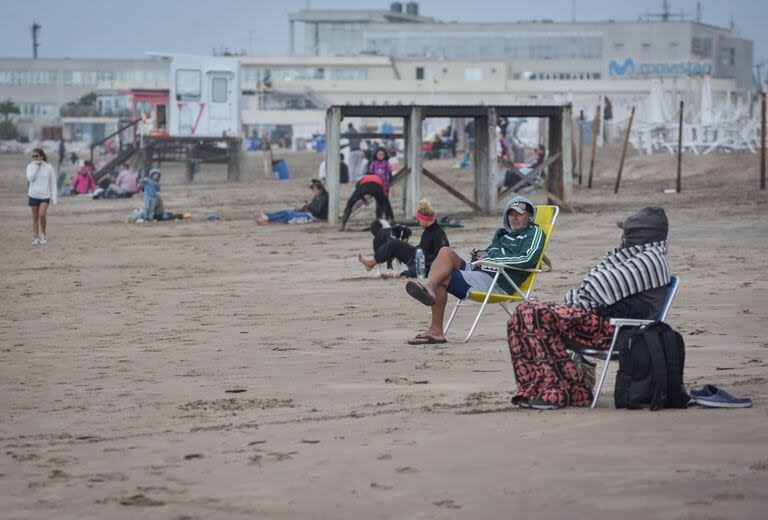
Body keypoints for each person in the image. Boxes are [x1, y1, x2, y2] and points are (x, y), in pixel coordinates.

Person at [506, 206, 671, 410]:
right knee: (523, 312)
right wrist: (576, 303)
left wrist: (575, 303)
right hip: (599, 322)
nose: (623, 236)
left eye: (628, 232)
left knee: (536, 315)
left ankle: (562, 392)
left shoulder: (650, 261)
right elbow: (592, 290)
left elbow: (597, 287)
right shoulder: (630, 255)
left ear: (641, 235)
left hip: (621, 331)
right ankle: (540, 389)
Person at [404, 196, 545, 345]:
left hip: (498, 280)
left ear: (529, 215)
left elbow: (527, 259)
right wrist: (482, 254)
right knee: (446, 252)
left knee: (442, 277)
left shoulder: (534, 233)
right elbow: (493, 251)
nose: (514, 218)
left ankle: (435, 330)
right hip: (483, 270)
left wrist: (490, 259)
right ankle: (429, 288)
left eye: (519, 214)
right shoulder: (502, 234)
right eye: (511, 214)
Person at [358, 199, 449, 278]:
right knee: (394, 243)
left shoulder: (438, 233)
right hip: (416, 256)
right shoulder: (428, 230)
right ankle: (371, 263)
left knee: (417, 271)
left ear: (426, 220)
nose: (418, 223)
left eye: (419, 220)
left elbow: (441, 257)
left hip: (425, 265)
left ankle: (397, 276)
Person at [254, 178, 329, 224]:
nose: (312, 191)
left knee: (288, 215)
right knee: (287, 211)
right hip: (308, 213)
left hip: (312, 217)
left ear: (318, 188)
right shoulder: (318, 196)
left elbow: (318, 212)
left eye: (313, 189)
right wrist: (304, 207)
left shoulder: (324, 197)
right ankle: (268, 216)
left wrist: (309, 205)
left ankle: (268, 219)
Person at [26, 148, 58, 245]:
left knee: (42, 214)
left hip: (45, 195)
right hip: (33, 195)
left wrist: (54, 198)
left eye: (36, 156)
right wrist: (37, 167)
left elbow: (53, 183)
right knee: (35, 217)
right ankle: (36, 238)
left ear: (42, 156)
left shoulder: (49, 167)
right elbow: (30, 178)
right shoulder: (30, 166)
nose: (35, 158)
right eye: (33, 156)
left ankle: (44, 234)